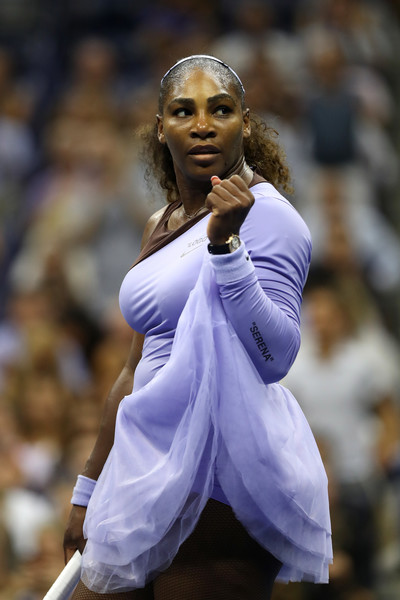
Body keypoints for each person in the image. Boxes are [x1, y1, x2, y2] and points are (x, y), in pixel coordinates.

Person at [63, 54, 332, 600]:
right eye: (183, 111)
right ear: (161, 128)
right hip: (145, 468)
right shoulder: (158, 223)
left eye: (221, 109)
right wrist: (88, 488)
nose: (203, 123)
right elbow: (133, 368)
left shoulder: (271, 218)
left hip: (223, 482)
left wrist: (227, 248)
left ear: (245, 123)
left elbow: (274, 356)